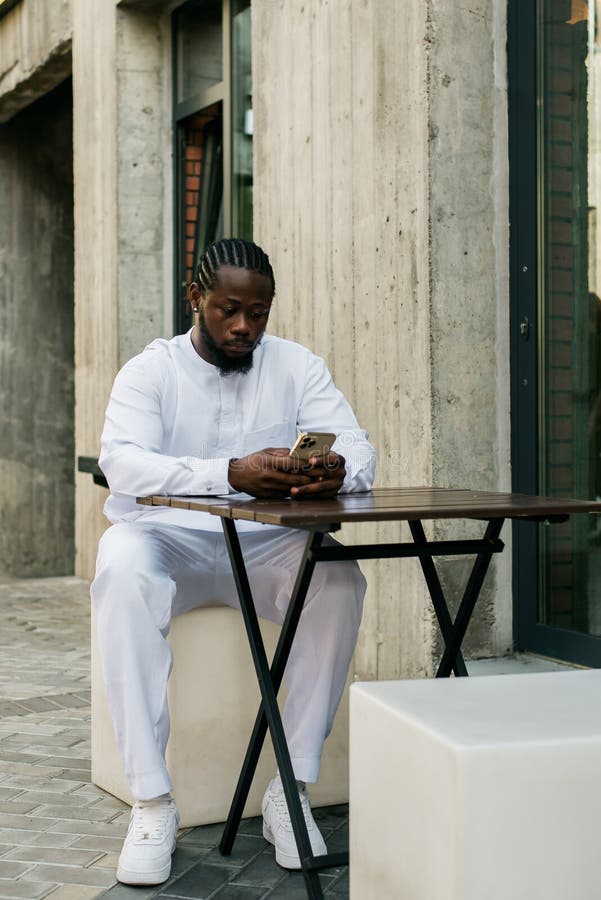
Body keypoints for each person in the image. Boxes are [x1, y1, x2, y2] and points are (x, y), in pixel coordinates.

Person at [91, 238, 376, 886]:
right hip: (170, 539)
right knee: (121, 566)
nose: (244, 326)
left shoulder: (298, 365)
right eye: (228, 310)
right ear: (196, 298)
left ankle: (290, 788)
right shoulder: (150, 370)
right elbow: (123, 464)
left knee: (335, 578)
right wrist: (231, 472)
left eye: (258, 313)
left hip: (262, 547)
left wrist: (338, 468)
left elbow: (356, 442)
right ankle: (153, 802)